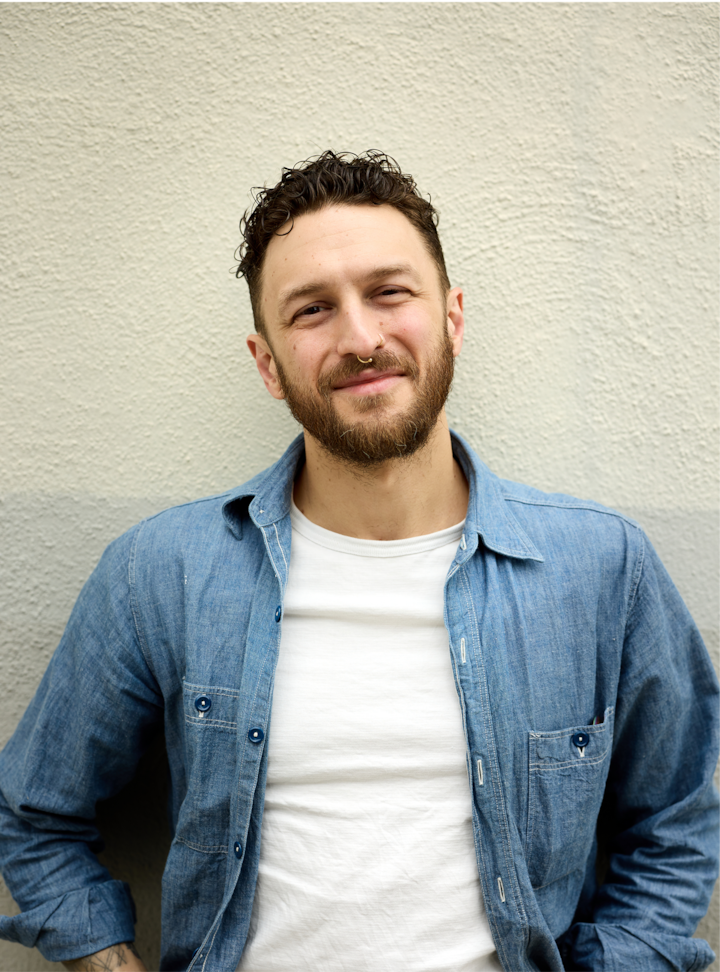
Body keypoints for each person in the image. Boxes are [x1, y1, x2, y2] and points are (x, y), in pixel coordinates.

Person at [1, 151, 719, 972]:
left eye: (389, 292)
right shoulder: (161, 572)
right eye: (311, 310)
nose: (362, 337)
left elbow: (674, 825)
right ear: (268, 362)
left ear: (452, 318)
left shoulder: (600, 569)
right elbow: (31, 810)